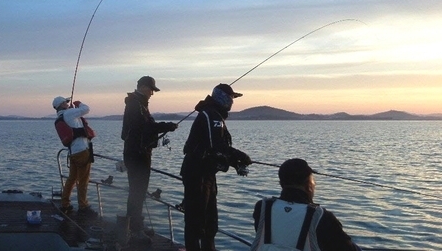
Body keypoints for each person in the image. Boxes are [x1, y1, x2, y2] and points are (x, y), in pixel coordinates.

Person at [180, 83, 252, 251]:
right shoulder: (211, 115)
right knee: (196, 220)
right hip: (197, 175)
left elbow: (215, 151)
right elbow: (216, 146)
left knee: (210, 220)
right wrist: (240, 156)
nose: (232, 102)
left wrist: (235, 163)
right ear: (222, 97)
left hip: (206, 174)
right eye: (231, 98)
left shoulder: (214, 115)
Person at [250, 158, 362, 251]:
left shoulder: (262, 208)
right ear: (309, 185)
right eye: (313, 182)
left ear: (281, 183)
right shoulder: (322, 217)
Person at [121, 76, 178, 243]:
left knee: (138, 191)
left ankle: (136, 224)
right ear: (144, 87)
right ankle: (135, 230)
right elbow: (145, 126)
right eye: (152, 89)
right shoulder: (135, 104)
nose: (153, 93)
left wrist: (164, 126)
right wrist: (167, 125)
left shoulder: (139, 103)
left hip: (138, 153)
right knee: (137, 191)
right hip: (137, 154)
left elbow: (145, 126)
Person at [52, 95, 97, 217]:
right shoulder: (70, 113)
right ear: (61, 105)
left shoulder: (61, 117)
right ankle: (83, 206)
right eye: (66, 102)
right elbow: (86, 109)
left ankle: (65, 203)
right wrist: (79, 103)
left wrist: (73, 109)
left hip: (72, 153)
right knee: (83, 180)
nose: (68, 103)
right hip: (82, 151)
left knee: (71, 179)